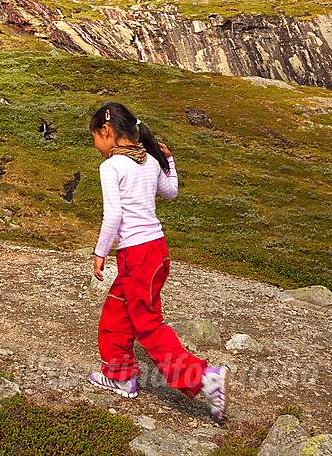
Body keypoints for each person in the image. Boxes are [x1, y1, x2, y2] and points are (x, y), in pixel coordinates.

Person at [87, 102, 227, 420]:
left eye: (95, 136)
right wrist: (170, 161)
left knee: (148, 326)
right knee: (116, 313)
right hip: (156, 251)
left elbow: (114, 216)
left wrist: (100, 252)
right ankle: (119, 376)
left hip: (136, 254)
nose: (96, 144)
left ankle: (203, 378)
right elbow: (171, 192)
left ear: (106, 132)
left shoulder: (110, 167)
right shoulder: (149, 160)